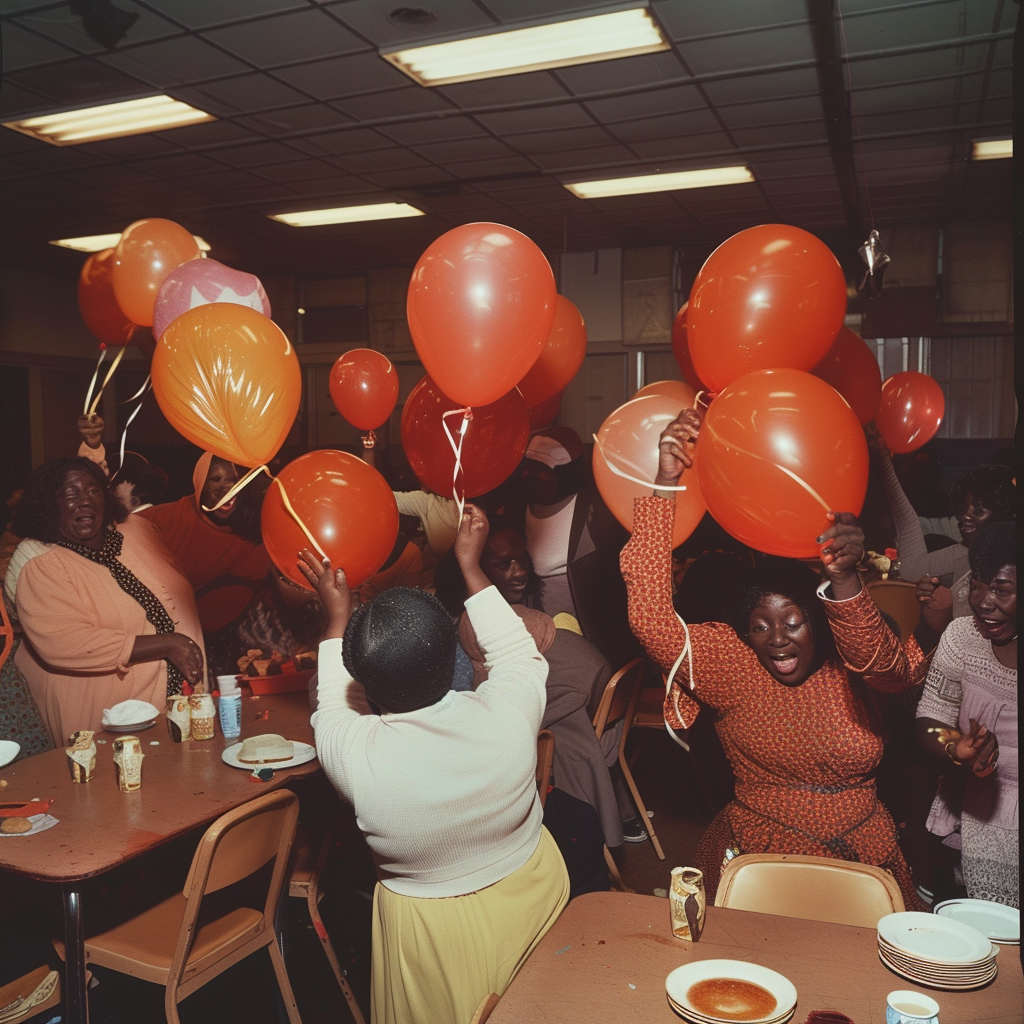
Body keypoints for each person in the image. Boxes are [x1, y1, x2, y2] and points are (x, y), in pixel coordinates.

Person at [620, 410, 929, 905]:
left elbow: (888, 670)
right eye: (760, 627)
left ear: (821, 621)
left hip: (862, 856)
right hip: (760, 853)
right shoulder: (734, 665)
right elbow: (650, 618)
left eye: (793, 622)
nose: (778, 640)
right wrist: (665, 482)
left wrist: (847, 579)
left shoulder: (850, 653)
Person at [302, 506, 569, 1024]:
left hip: (431, 933)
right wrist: (470, 565)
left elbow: (332, 705)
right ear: (455, 660)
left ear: (368, 686)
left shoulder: (353, 756)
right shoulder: (508, 712)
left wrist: (336, 619)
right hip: (533, 890)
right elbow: (517, 650)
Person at [12, 457, 205, 744]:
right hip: (108, 721)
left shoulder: (138, 532)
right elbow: (64, 642)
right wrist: (168, 643)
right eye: (70, 493)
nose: (84, 500)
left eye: (93, 490)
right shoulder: (42, 566)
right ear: (49, 505)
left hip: (180, 700)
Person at [915, 520, 1017, 907]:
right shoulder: (961, 637)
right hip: (965, 810)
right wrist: (956, 747)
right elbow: (929, 719)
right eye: (977, 585)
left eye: (1001, 590)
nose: (983, 602)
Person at [139, 452, 282, 675]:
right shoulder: (168, 519)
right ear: (199, 484)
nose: (225, 487)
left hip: (227, 632)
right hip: (163, 633)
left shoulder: (251, 528)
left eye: (233, 480)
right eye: (215, 479)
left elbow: (268, 590)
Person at [868, 428, 1015, 620]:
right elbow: (912, 568)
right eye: (964, 508)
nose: (965, 516)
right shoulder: (963, 553)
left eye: (978, 510)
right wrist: (883, 460)